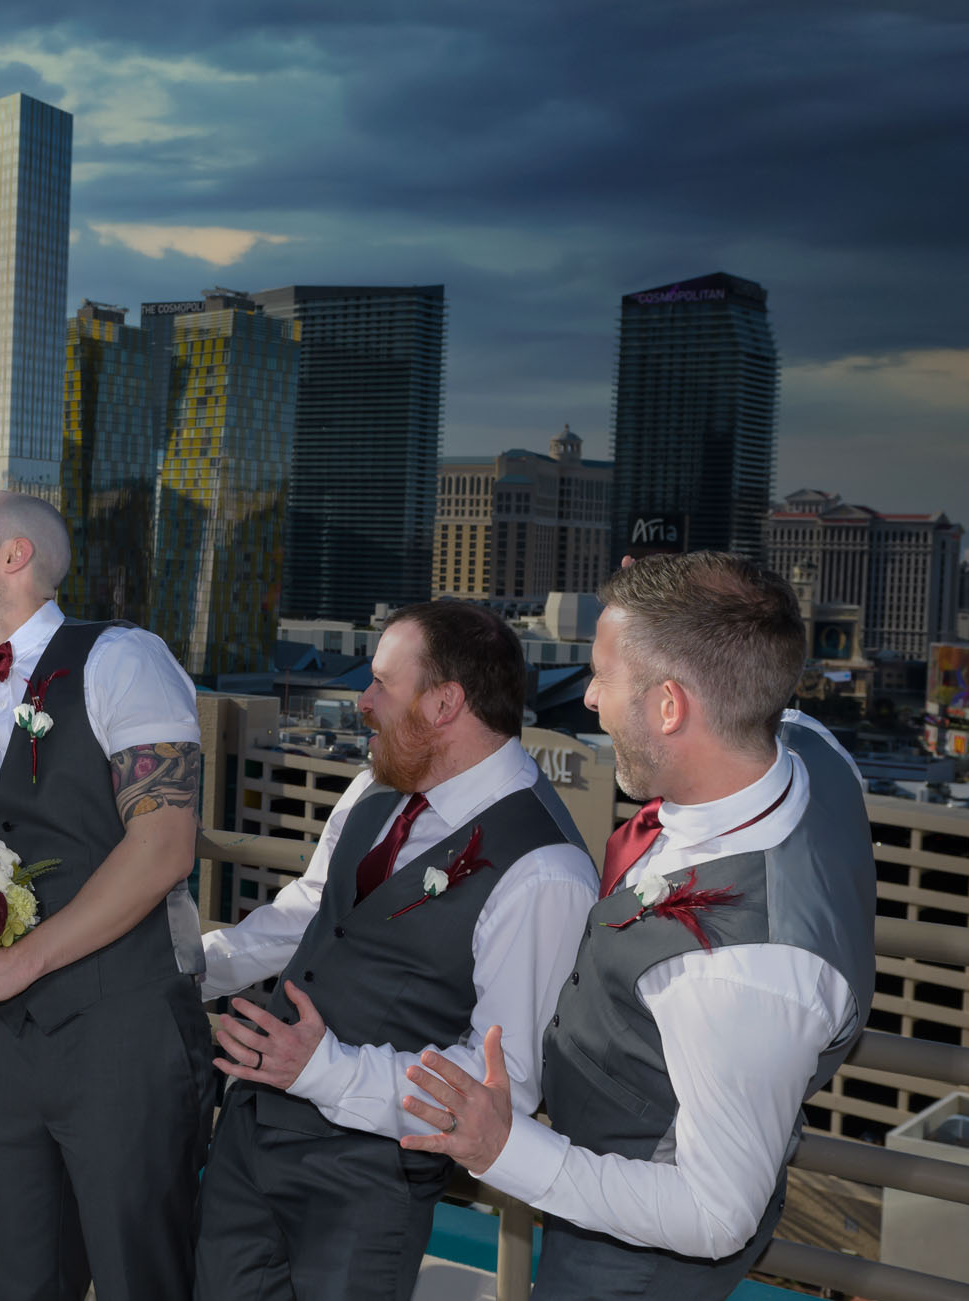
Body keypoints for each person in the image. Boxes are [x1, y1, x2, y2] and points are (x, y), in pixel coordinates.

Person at [400, 552, 875, 1300]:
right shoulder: (809, 747)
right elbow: (736, 635)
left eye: (603, 675)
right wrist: (671, 588)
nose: (588, 697)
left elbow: (716, 1214)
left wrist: (507, 1148)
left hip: (633, 1257)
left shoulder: (741, 971)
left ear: (668, 708)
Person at [193, 600, 597, 1301]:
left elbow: (507, 1084)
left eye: (383, 682)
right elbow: (310, 914)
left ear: (445, 703)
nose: (363, 700)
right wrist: (188, 967)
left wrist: (326, 1070)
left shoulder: (546, 871)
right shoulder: (376, 785)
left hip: (364, 1186)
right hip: (250, 1138)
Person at [0, 490, 215, 1301]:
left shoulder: (123, 659)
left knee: (144, 1276)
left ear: (15, 558)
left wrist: (21, 963)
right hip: (4, 1053)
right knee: (24, 1283)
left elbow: (164, 845)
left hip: (125, 1036)